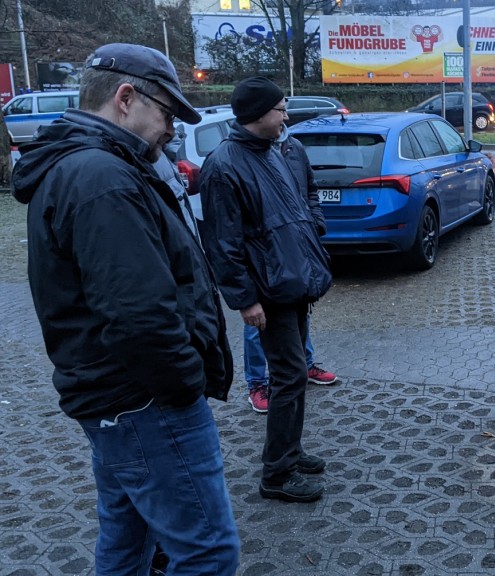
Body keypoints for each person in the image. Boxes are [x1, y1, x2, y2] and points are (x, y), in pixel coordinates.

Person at [11, 43, 239, 574]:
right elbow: (139, 311)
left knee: (128, 536)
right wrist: (183, 386)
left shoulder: (89, 168)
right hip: (146, 401)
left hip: (117, 400)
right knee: (207, 552)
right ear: (125, 97)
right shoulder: (101, 177)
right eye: (165, 113)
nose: (170, 130)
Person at [198, 76, 333, 503]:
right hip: (268, 291)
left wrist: (314, 237)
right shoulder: (223, 165)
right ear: (258, 115)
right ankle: (276, 473)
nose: (286, 116)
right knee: (289, 376)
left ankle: (288, 452)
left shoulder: (272, 151)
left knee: (291, 377)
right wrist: (244, 299)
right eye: (280, 109)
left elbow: (295, 209)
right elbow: (223, 243)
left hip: (290, 282)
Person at [244, 124, 337, 415]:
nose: (284, 115)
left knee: (300, 308)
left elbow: (310, 189)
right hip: (268, 251)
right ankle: (257, 383)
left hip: (300, 242)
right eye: (279, 108)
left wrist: (315, 222)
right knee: (260, 322)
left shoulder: (294, 147)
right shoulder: (248, 153)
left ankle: (305, 364)